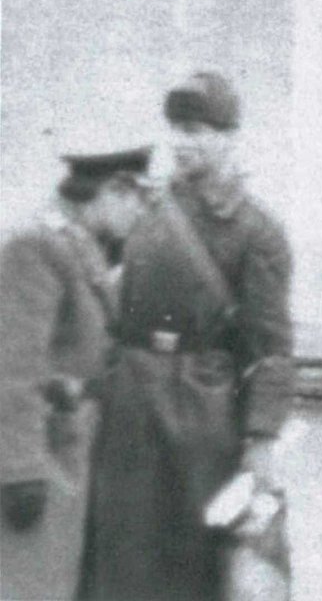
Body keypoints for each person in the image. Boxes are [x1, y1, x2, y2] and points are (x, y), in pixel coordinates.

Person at [84, 71, 295, 601]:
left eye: (196, 129)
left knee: (192, 564)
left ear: (228, 136)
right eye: (175, 128)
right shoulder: (142, 208)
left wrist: (261, 441)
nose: (181, 141)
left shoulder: (255, 230)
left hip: (202, 412)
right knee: (121, 556)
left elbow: (270, 349)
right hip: (129, 403)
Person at [1, 141, 153, 601]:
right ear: (111, 189)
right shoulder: (36, 246)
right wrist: (20, 470)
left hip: (69, 454)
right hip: (41, 464)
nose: (141, 211)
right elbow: (11, 368)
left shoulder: (77, 242)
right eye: (137, 198)